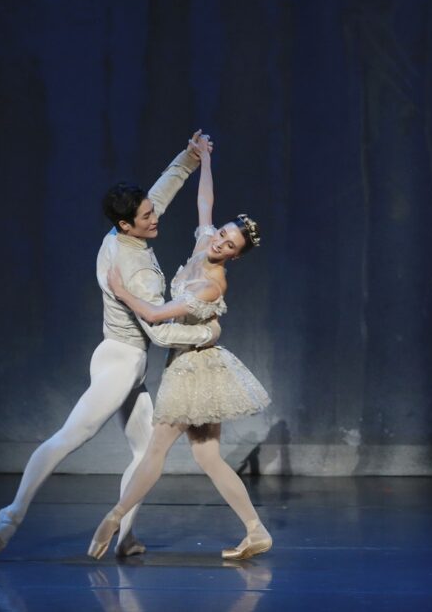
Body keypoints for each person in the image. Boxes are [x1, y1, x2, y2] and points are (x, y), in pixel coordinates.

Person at [0, 132, 220, 557]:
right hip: (123, 361)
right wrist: (206, 333)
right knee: (72, 436)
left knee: (145, 452)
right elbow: (159, 331)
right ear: (125, 224)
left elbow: (161, 190)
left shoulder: (121, 234)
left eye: (152, 211)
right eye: (147, 216)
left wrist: (188, 156)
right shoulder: (136, 270)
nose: (155, 218)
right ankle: (12, 513)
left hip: (118, 356)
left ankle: (125, 536)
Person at [87, 135, 272, 561]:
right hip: (189, 361)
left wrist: (121, 291)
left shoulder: (211, 283)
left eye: (229, 246)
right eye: (223, 233)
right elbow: (205, 202)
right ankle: (256, 529)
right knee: (209, 457)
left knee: (157, 449)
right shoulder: (203, 241)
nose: (220, 242)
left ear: (234, 257)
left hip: (194, 369)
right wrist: (204, 158)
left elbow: (155, 317)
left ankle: (115, 518)